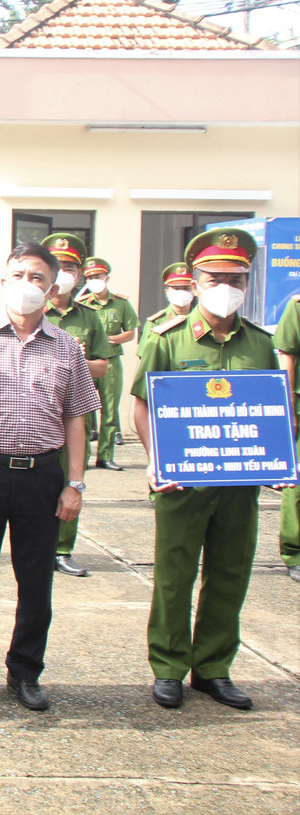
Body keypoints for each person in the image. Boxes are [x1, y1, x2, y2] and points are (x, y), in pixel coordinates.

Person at [0, 241, 99, 713]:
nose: (27, 285)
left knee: (36, 584)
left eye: (38, 278)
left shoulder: (68, 348)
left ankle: (25, 672)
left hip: (42, 478)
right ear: (3, 281)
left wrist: (75, 483)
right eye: (18, 275)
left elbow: (76, 420)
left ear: (52, 289)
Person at [133, 228, 281, 710]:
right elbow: (142, 407)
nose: (226, 285)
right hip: (182, 482)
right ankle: (170, 667)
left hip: (239, 485)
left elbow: (272, 413)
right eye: (215, 276)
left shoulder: (261, 344)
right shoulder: (167, 339)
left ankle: (214, 668)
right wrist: (156, 460)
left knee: (230, 572)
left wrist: (279, 458)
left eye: (235, 277)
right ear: (193, 282)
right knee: (174, 576)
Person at [40, 234, 110, 577]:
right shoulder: (32, 309)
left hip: (73, 413)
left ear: (79, 274)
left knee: (71, 478)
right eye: (59, 266)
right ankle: (36, 545)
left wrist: (78, 362)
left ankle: (63, 548)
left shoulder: (90, 318)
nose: (65, 273)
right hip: (38, 413)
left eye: (70, 267)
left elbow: (103, 366)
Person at [79, 257, 138, 470]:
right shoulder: (82, 305)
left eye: (98, 276)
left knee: (110, 411)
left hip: (111, 361)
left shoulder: (121, 303)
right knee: (83, 412)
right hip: (87, 363)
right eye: (90, 277)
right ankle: (83, 456)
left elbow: (131, 332)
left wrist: (110, 339)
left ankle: (105, 455)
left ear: (107, 277)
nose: (95, 280)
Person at [274, 294, 300, 584]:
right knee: (297, 482)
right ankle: (295, 552)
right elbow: (287, 355)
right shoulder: (297, 306)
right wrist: (288, 406)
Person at [137, 263, 195, 359]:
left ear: (194, 290)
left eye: (186, 288)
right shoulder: (155, 322)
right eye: (176, 288)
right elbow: (145, 357)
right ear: (167, 292)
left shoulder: (202, 319)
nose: (181, 292)